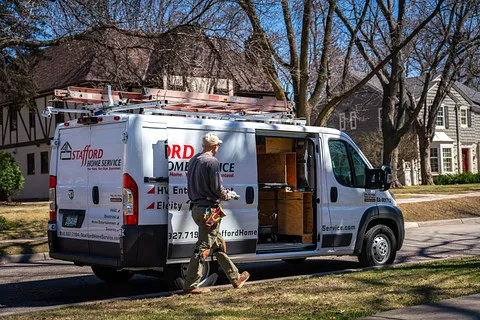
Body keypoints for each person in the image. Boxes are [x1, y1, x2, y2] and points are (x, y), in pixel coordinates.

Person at [182, 133, 250, 294]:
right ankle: (191, 284)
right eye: (218, 145)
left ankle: (235, 278)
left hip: (197, 208)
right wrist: (228, 195)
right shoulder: (212, 162)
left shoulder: (194, 160)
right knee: (204, 247)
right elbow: (217, 188)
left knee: (218, 244)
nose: (218, 147)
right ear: (214, 147)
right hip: (209, 210)